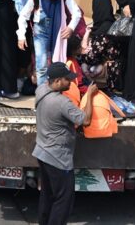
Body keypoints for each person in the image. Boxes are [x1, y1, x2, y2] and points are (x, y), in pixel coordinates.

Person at [32, 62, 96, 225]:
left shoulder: (41, 90)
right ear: (58, 81)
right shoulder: (62, 103)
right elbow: (86, 120)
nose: (71, 82)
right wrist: (89, 95)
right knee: (63, 201)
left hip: (42, 152)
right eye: (68, 80)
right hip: (58, 159)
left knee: (47, 195)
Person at [17, 0, 82, 86]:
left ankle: (56, 92)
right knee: (41, 65)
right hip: (40, 34)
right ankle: (43, 94)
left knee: (57, 65)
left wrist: (70, 28)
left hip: (58, 34)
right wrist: (21, 36)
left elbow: (77, 12)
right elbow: (23, 15)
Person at [79, 0, 123, 90]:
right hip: (119, 70)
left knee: (81, 65)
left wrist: (80, 54)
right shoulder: (115, 25)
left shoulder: (103, 32)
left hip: (109, 75)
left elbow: (91, 58)